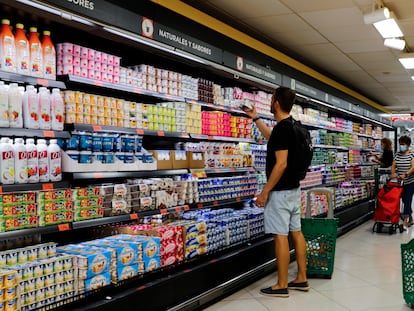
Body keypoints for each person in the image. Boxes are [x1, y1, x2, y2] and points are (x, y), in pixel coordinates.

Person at [244, 87, 309, 298]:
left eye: (271, 99)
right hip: (294, 189)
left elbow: (280, 164)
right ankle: (301, 278)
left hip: (280, 192)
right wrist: (256, 119)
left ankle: (282, 284)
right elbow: (273, 138)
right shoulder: (295, 126)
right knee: (296, 233)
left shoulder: (283, 128)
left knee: (280, 237)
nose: (270, 102)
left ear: (277, 103)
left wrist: (264, 192)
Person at [391, 135, 414, 229]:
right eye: (400, 144)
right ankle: (411, 218)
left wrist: (406, 174)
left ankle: (405, 221)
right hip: (400, 182)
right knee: (404, 200)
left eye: (403, 144)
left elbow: (413, 167)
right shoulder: (397, 155)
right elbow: (393, 165)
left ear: (408, 145)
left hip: (411, 181)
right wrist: (392, 173)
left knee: (407, 199)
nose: (401, 146)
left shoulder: (412, 154)